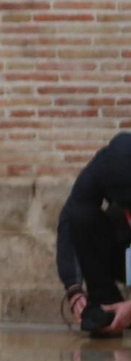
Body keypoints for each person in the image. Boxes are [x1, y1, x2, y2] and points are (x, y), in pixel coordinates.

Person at [57, 133, 131, 337]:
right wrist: (73, 286)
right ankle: (107, 307)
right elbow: (70, 217)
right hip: (125, 255)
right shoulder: (103, 166)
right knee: (81, 215)